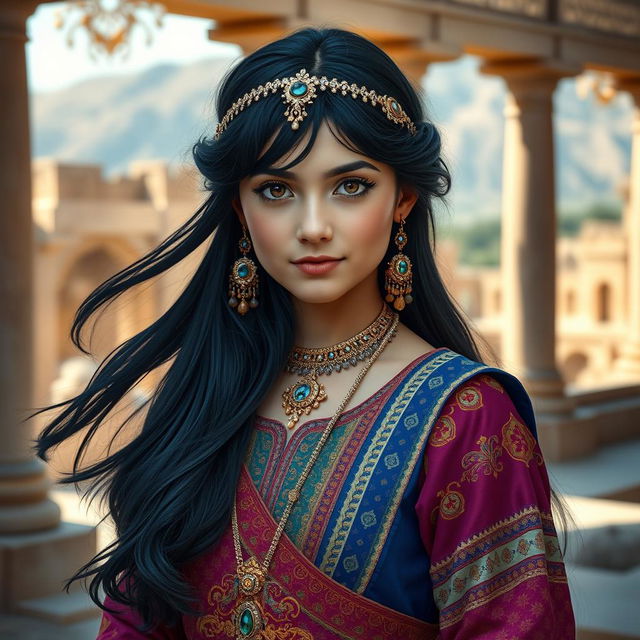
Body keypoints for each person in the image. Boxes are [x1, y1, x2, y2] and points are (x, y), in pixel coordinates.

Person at [35, 27, 575, 639]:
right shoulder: (196, 396)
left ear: (404, 198)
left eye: (351, 186)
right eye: (276, 190)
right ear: (240, 208)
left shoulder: (467, 416)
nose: (313, 226)